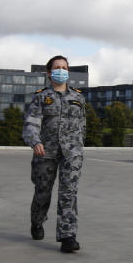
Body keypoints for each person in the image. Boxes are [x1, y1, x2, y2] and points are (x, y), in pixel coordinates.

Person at [22, 55, 86, 253]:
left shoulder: (78, 97)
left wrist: (79, 146)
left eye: (64, 67)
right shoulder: (41, 96)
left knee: (69, 193)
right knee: (43, 191)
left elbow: (82, 125)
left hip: (71, 152)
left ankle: (68, 236)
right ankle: (37, 220)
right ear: (49, 73)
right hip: (45, 151)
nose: (61, 70)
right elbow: (32, 121)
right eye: (57, 67)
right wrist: (35, 141)